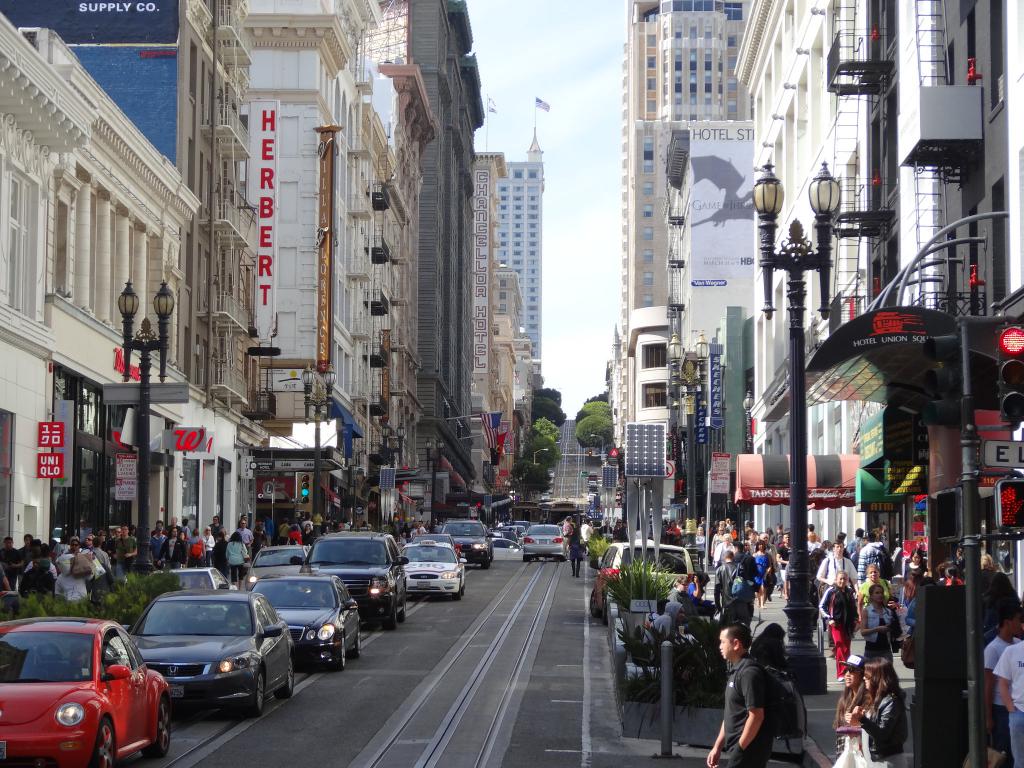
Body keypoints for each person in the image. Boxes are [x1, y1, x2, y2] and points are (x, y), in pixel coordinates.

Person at [707, 623, 773, 768]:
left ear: (736, 644)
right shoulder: (736, 671)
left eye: (723, 642)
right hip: (739, 749)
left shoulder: (749, 673)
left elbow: (756, 715)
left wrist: (740, 749)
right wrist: (717, 747)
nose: (720, 646)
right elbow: (731, 713)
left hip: (750, 751)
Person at [846, 658, 908, 767]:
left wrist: (862, 719)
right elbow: (872, 729)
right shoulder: (874, 699)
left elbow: (882, 733)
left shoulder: (891, 702)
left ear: (877, 678)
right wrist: (858, 723)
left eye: (867, 675)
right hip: (874, 760)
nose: (864, 678)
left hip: (887, 761)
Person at [986, 599, 1022, 766]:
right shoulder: (994, 649)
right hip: (1002, 709)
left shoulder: (1017, 644)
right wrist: (988, 716)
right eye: (1018, 620)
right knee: (1005, 754)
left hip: (1015, 707)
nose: (1021, 624)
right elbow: (988, 685)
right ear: (1007, 622)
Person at [820, 570, 859, 680]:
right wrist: (829, 618)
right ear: (836, 580)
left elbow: (853, 607)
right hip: (836, 624)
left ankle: (847, 670)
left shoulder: (850, 591)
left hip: (848, 623)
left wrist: (856, 619)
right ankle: (841, 673)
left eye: (844, 579)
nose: (842, 581)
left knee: (847, 648)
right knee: (840, 646)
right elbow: (822, 606)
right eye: (840, 579)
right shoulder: (831, 591)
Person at [833, 654, 867, 759]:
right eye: (846, 670)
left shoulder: (867, 699)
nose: (847, 674)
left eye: (852, 670)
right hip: (845, 751)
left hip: (861, 753)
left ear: (863, 675)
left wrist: (857, 724)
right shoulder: (844, 699)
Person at [860, 583, 895, 662]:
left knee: (887, 674)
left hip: (886, 650)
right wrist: (877, 629)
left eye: (881, 593)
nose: (880, 595)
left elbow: (894, 630)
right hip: (871, 650)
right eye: (877, 593)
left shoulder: (888, 611)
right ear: (871, 596)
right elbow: (863, 632)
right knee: (870, 674)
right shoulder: (866, 611)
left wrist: (891, 627)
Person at [55, 538, 90, 602]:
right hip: (81, 598)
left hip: (70, 600)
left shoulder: (61, 576)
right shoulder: (81, 570)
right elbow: (91, 577)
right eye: (72, 545)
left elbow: (57, 594)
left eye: (76, 545)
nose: (74, 546)